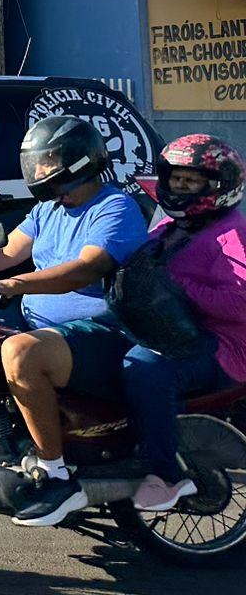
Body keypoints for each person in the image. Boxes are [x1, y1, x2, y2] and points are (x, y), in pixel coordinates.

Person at [0, 115, 150, 527]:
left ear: (78, 161)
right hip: (49, 331)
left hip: (105, 333)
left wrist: (9, 286)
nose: (40, 170)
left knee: (20, 352)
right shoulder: (46, 210)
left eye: (49, 160)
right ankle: (2, 444)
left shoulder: (114, 207)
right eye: (38, 161)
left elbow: (84, 269)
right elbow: (3, 255)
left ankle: (56, 475)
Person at [112, 134, 246, 514]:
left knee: (147, 369)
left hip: (222, 346)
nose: (180, 188)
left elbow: (241, 303)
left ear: (219, 187)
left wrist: (179, 287)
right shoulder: (172, 227)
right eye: (176, 179)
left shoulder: (230, 233)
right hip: (172, 329)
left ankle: (165, 475)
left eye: (192, 181)